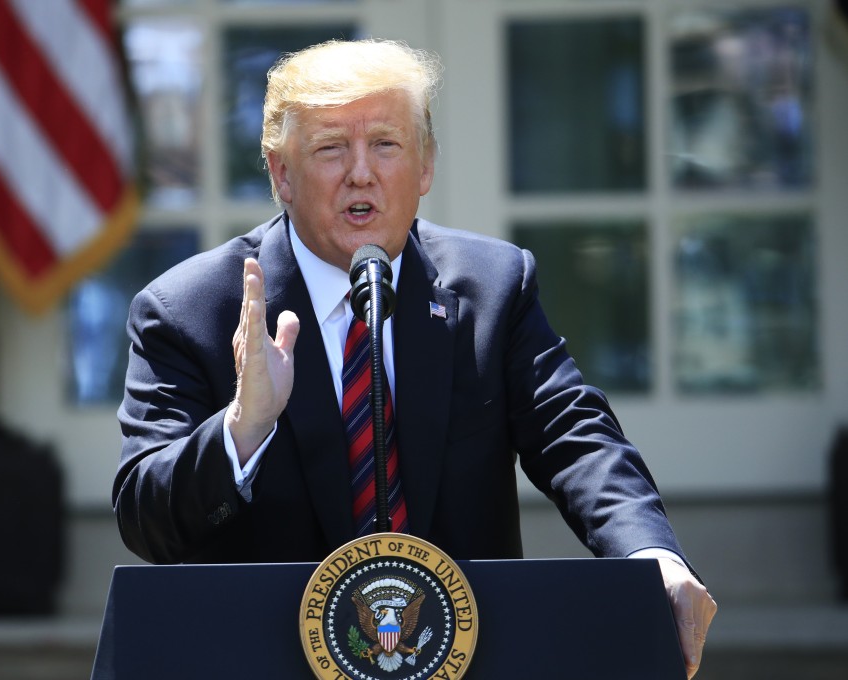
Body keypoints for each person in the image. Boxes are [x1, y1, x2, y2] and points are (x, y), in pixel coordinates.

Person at [114, 38, 717, 677]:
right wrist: (243, 427)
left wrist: (652, 557)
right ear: (280, 174)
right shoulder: (188, 311)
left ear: (425, 166)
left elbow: (576, 438)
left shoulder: (493, 286)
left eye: (386, 144)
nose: (361, 173)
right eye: (329, 149)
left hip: (464, 656)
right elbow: (148, 524)